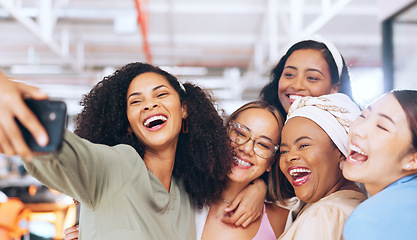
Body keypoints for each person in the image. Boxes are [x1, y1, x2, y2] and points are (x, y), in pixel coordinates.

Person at [0, 63, 265, 239]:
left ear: (185, 109)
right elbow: (66, 154)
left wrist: (260, 187)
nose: (149, 105)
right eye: (136, 101)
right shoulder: (119, 166)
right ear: (128, 124)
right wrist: (25, 117)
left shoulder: (188, 192)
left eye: (160, 95)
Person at [258, 35, 417, 231]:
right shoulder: (407, 195)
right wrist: (258, 188)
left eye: (312, 77)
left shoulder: (356, 215)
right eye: (363, 117)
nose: (297, 85)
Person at [342, 90, 417, 239]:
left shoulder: (369, 219)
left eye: (381, 127)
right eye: (363, 115)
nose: (358, 130)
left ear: (415, 159)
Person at [275, 93, 367, 239]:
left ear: (342, 151)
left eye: (303, 145)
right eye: (284, 151)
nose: (290, 157)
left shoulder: (324, 214)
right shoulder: (356, 204)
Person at [196, 101, 289, 240]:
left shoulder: (283, 220)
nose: (246, 149)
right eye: (240, 133)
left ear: (271, 162)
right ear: (222, 133)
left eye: (263, 144)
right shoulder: (185, 198)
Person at [259, 35, 353, 119]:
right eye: (289, 75)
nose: (297, 85)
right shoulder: (265, 127)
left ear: (335, 88)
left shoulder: (349, 136)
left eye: (311, 78)